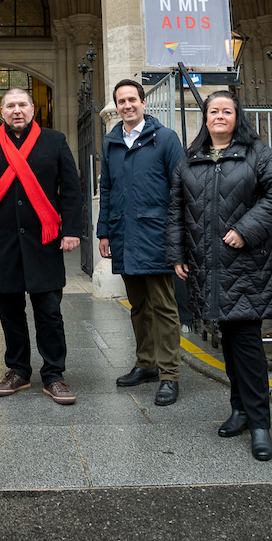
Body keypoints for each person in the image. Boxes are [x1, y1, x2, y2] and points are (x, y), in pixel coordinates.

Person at [167, 89, 272, 461]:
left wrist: (245, 228)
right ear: (204, 118)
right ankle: (238, 409)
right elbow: (176, 211)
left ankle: (259, 424)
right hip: (208, 266)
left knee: (247, 344)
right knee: (228, 342)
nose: (219, 116)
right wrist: (176, 254)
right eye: (213, 111)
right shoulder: (189, 162)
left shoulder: (258, 154)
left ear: (237, 117)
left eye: (227, 111)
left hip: (247, 264)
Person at [0, 88, 83, 404]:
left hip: (44, 240)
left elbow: (70, 190)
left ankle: (54, 374)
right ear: (2, 112)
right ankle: (18, 370)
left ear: (32, 110)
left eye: (23, 105)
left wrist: (71, 230)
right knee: (9, 311)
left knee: (49, 311)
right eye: (11, 106)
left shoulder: (54, 141)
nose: (17, 110)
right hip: (2, 241)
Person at [97, 78, 186, 406]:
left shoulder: (164, 139)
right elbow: (106, 188)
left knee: (163, 305)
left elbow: (181, 189)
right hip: (123, 235)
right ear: (117, 106)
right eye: (121, 101)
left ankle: (169, 374)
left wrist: (179, 235)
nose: (127, 106)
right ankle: (146, 363)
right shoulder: (110, 142)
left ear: (143, 102)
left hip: (157, 234)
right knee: (138, 306)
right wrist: (103, 231)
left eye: (132, 100)